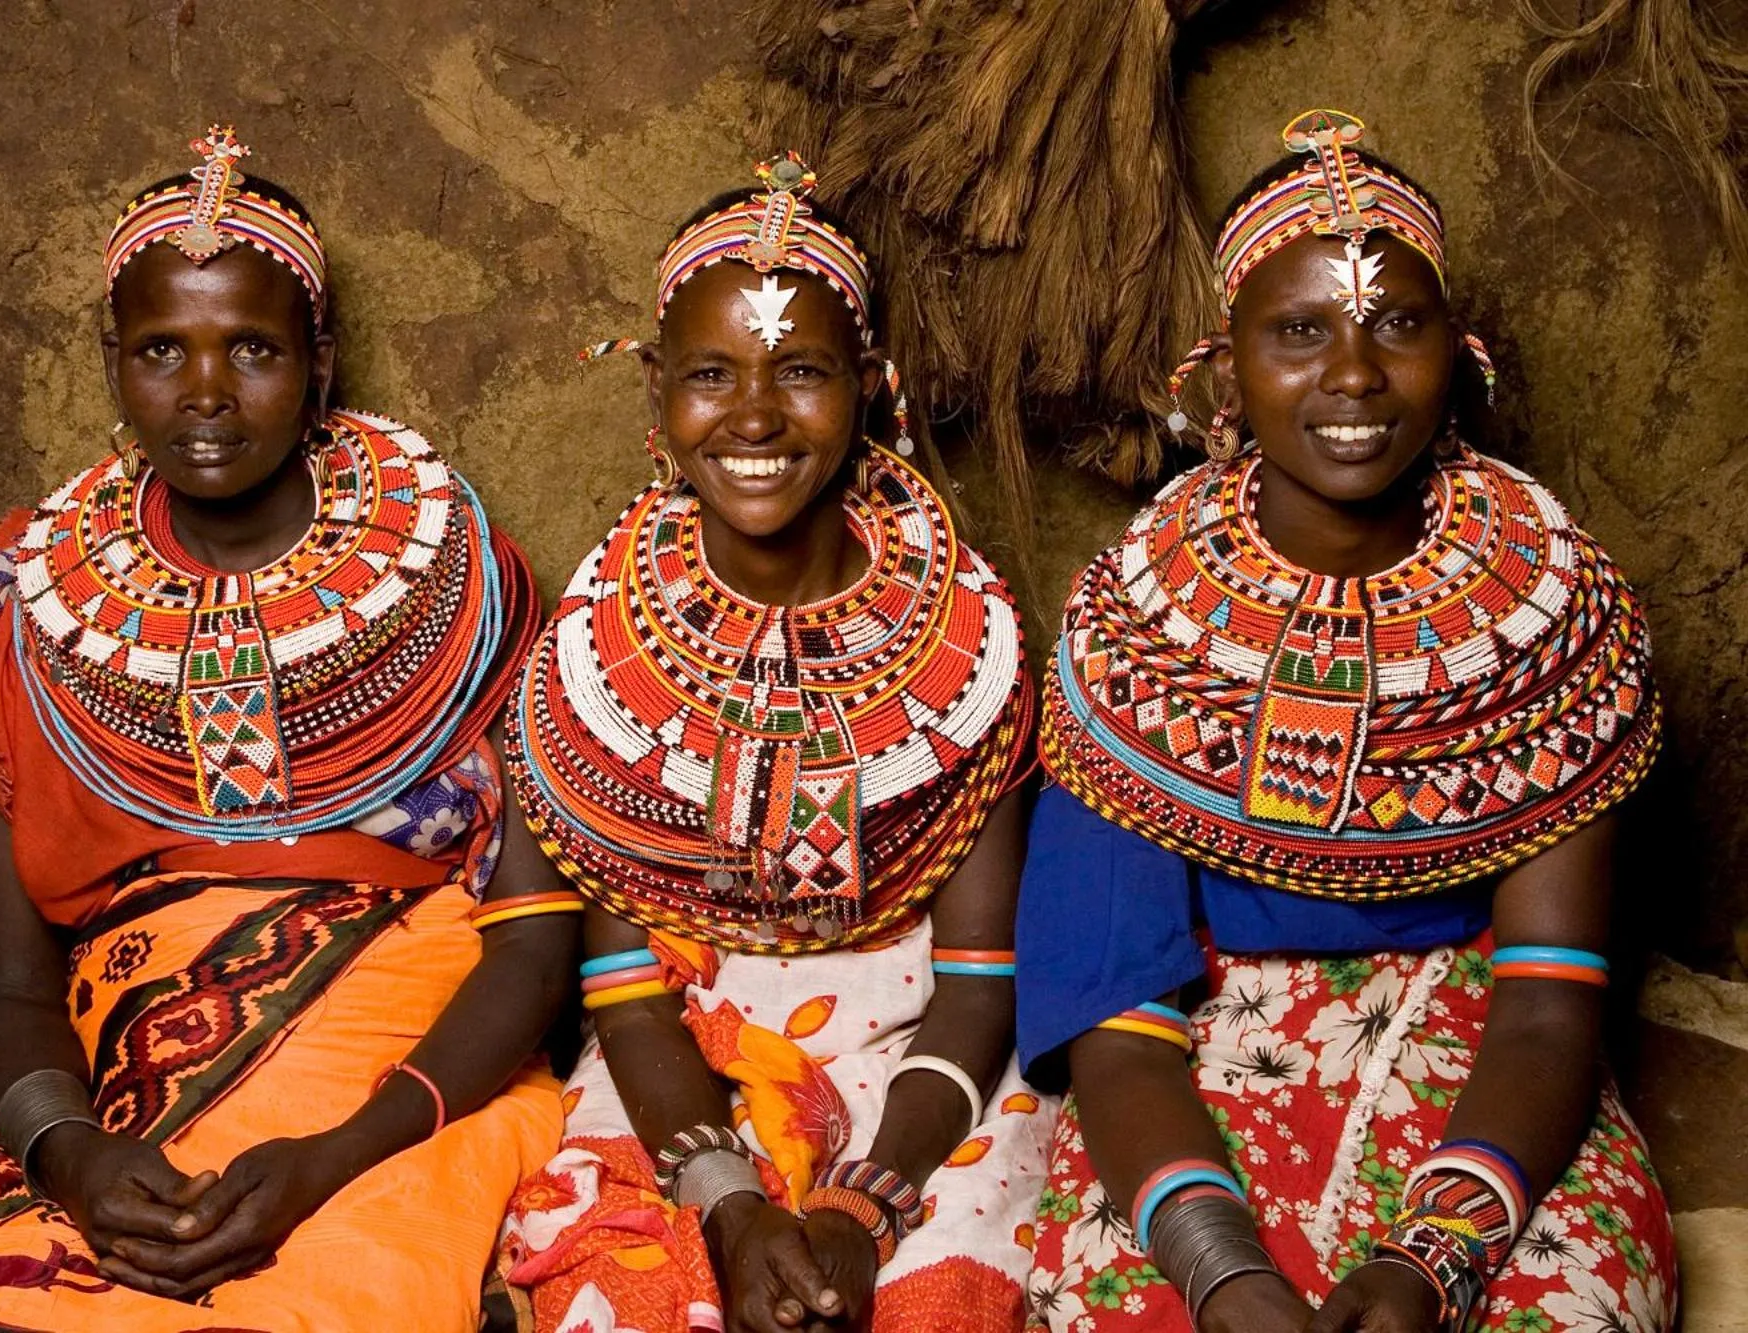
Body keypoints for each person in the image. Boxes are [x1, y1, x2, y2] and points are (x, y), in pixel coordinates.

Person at [0, 126, 575, 1333]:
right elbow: (10, 988)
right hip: (127, 1115)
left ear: (320, 361)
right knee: (0, 1291)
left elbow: (532, 951)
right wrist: (72, 1157)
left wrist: (332, 1157)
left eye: (252, 348)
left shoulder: (463, 592)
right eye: (159, 350)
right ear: (109, 362)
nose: (204, 393)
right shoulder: (31, 627)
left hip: (405, 1104)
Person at [1021, 110, 1676, 1333]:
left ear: (1458, 352)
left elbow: (1546, 1006)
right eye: (1298, 331)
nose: (1355, 375)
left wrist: (1430, 1260)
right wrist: (1223, 1273)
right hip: (1186, 1070)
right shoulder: (1133, 628)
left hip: (1491, 1071)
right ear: (1224, 371)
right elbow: (1116, 1021)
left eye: (1397, 324)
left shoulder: (1554, 617)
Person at [498, 154, 1053, 1333]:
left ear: (872, 388)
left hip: (928, 1074)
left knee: (939, 1303)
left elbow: (975, 987)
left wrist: (859, 1211)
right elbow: (627, 996)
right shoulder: (596, 655)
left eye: (799, 371)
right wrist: (731, 1209)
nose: (752, 417)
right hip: (676, 1076)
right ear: (654, 393)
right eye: (710, 374)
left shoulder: (971, 646)